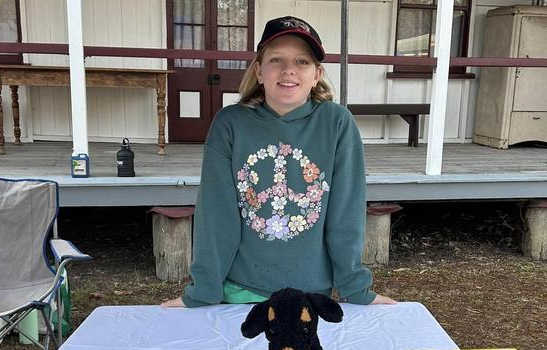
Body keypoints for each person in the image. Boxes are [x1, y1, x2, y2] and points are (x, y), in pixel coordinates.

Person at [163, 16, 395, 308]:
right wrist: (204, 291)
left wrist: (356, 289)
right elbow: (216, 213)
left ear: (316, 74)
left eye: (302, 61)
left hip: (310, 293)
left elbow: (345, 214)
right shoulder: (229, 124)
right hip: (240, 291)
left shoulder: (337, 123)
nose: (289, 70)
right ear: (259, 71)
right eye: (276, 60)